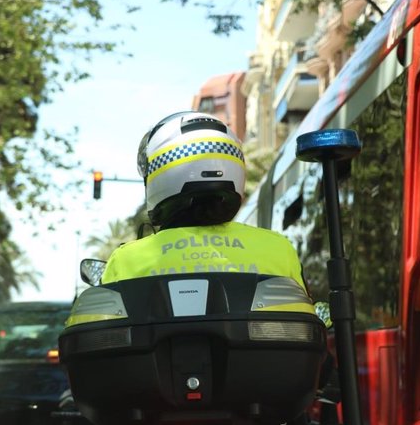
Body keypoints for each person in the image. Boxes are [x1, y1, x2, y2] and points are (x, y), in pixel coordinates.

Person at [100, 111, 312, 315]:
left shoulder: (126, 260)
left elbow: (99, 337)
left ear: (159, 173)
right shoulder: (278, 249)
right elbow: (309, 324)